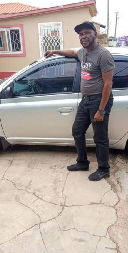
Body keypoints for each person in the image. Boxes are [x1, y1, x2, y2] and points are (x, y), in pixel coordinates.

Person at [45, 21, 115, 181]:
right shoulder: (84, 52)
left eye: (87, 33)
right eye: (81, 34)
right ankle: (82, 162)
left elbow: (108, 83)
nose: (84, 36)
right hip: (85, 100)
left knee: (100, 138)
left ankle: (104, 169)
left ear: (95, 34)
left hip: (99, 100)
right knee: (77, 131)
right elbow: (72, 52)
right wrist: (56, 51)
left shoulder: (103, 55)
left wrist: (101, 110)